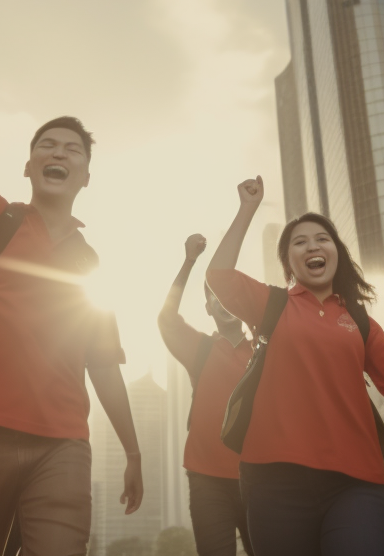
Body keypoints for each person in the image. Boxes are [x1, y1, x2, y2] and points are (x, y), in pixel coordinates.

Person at [0, 0, 143, 556]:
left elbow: (102, 363)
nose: (58, 151)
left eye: (72, 149)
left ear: (86, 175)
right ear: (29, 165)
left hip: (61, 444)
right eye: (47, 144)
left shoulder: (91, 265)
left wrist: (134, 452)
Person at [205, 176, 384, 556]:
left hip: (356, 481)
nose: (312, 246)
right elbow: (218, 276)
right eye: (299, 242)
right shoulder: (271, 304)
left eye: (322, 238)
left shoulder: (360, 321)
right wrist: (247, 209)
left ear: (336, 251)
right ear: (289, 263)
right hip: (273, 479)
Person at [157, 233, 254, 556]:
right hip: (207, 480)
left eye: (229, 295)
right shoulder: (200, 348)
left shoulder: (266, 352)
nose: (223, 302)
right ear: (208, 309)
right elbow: (166, 319)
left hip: (260, 478)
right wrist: (189, 262)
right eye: (215, 298)